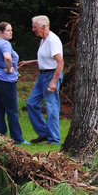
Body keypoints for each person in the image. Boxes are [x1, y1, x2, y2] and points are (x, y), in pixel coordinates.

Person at [20, 15, 64, 145]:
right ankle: (44, 133)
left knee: (51, 106)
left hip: (51, 76)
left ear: (43, 26)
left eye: (35, 26)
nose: (33, 29)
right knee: (31, 103)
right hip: (42, 76)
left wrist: (54, 81)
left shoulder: (52, 40)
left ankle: (54, 139)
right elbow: (46, 58)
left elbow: (60, 63)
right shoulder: (43, 40)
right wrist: (30, 62)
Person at [0, 22, 27, 144]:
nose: (11, 32)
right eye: (8, 30)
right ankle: (17, 138)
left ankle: (0, 138)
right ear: (1, 32)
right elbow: (7, 57)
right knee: (11, 110)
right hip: (4, 80)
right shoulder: (4, 44)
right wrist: (9, 69)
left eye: (11, 30)